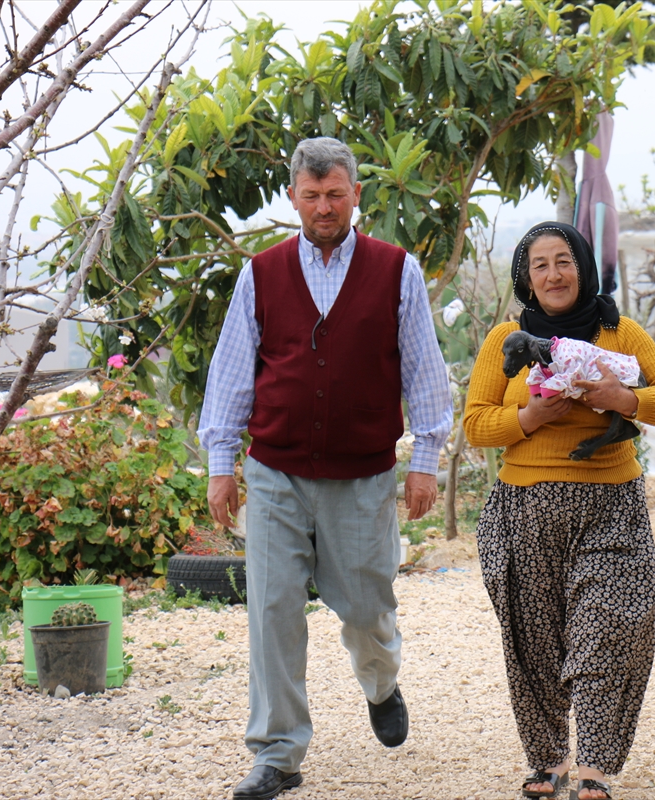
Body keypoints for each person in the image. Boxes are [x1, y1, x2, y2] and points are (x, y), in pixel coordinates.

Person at [198, 137, 453, 800]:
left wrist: (425, 460)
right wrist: (220, 463)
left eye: (335, 194)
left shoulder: (397, 270)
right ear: (292, 198)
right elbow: (231, 375)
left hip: (362, 475)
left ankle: (380, 680)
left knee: (366, 605)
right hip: (276, 472)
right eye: (311, 196)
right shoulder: (262, 272)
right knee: (274, 609)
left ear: (356, 194)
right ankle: (278, 752)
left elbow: (425, 371)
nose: (323, 206)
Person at [463, 222, 655, 800]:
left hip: (610, 503)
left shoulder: (622, 333)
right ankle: (549, 761)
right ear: (526, 278)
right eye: (540, 265)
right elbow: (476, 425)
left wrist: (622, 398)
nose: (553, 274)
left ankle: (592, 764)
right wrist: (530, 419)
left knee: (609, 626)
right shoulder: (503, 340)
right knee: (532, 639)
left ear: (583, 267)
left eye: (563, 261)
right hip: (523, 507)